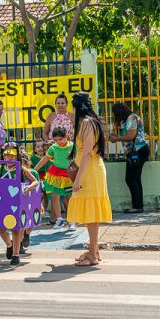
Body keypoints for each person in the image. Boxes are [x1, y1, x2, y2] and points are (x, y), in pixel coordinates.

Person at [68, 92, 112, 266]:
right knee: (90, 213)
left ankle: (92, 254)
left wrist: (78, 179)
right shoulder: (92, 122)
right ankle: (94, 250)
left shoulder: (86, 123)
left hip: (89, 171)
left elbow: (86, 152)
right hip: (92, 168)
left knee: (91, 213)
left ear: (76, 107)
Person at [0, 142, 39, 265]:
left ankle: (16, 255)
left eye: (12, 154)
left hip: (17, 203)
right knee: (1, 228)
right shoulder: (0, 168)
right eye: (6, 154)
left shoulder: (21, 169)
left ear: (17, 155)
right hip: (2, 203)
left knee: (16, 229)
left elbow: (35, 182)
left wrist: (29, 188)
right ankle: (9, 245)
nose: (9, 157)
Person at [109, 102, 149, 214]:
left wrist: (116, 139)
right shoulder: (128, 119)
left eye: (115, 114)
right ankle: (138, 205)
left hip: (138, 151)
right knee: (135, 179)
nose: (115, 116)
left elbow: (131, 136)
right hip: (138, 151)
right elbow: (118, 130)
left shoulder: (131, 118)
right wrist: (116, 123)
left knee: (130, 179)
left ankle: (137, 206)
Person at [33, 126, 75, 230]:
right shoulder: (53, 147)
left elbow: (79, 159)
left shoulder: (73, 147)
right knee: (55, 196)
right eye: (56, 140)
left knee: (68, 197)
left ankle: (71, 220)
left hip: (68, 175)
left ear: (67, 136)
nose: (58, 142)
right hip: (55, 174)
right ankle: (59, 219)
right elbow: (45, 159)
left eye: (60, 139)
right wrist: (34, 169)